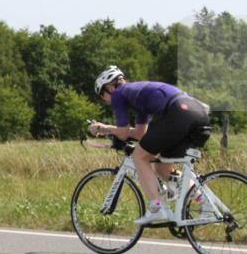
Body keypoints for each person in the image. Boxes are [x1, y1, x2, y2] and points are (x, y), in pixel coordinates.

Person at [88, 66, 211, 226]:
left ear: (109, 87)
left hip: (177, 112)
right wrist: (111, 130)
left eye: (102, 95)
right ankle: (205, 203)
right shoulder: (138, 96)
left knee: (138, 156)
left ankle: (157, 207)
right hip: (196, 112)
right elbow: (140, 134)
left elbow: (124, 133)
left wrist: (103, 128)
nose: (104, 100)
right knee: (162, 168)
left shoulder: (118, 93)